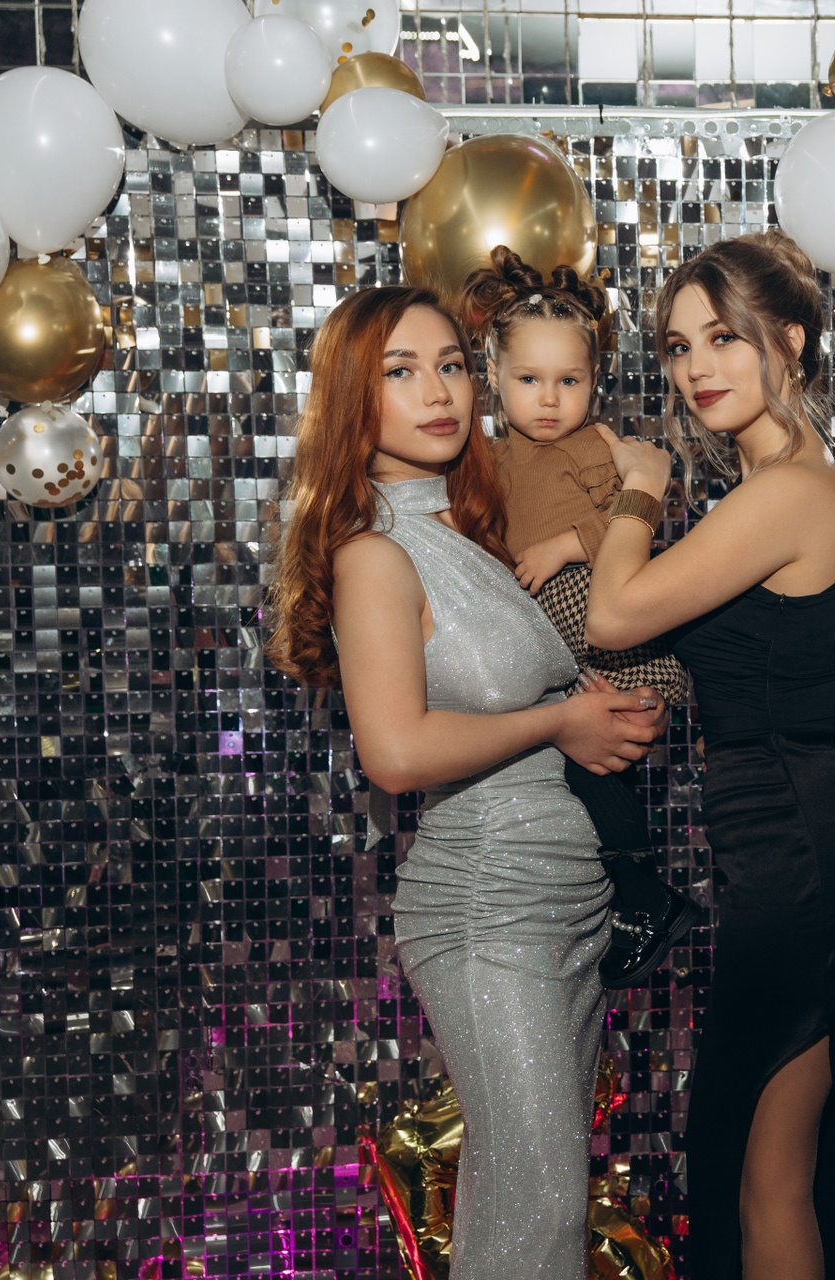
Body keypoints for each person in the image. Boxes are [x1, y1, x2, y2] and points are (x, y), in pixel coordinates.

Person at [266, 285, 664, 1280]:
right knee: (538, 1211)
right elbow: (395, 753)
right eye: (400, 372)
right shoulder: (375, 554)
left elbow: (537, 681)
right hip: (488, 905)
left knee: (532, 1208)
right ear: (351, 399)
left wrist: (603, 707)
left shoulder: (474, 531)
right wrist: (562, 720)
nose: (438, 391)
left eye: (450, 365)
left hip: (569, 896)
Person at [580, 232, 835, 1280]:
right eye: (677, 346)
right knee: (766, 1163)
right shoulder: (762, 495)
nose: (696, 367)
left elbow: (615, 613)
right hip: (782, 856)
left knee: (765, 1169)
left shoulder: (789, 491)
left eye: (723, 337)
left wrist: (640, 485)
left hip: (798, 861)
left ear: (787, 341)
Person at [459, 247, 694, 980]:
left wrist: (562, 545)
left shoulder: (597, 445)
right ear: (493, 374)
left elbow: (640, 516)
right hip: (546, 637)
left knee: (600, 764)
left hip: (599, 617)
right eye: (529, 380)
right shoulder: (486, 461)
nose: (549, 399)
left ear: (596, 380)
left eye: (570, 380)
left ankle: (641, 889)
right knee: (571, 769)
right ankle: (624, 893)